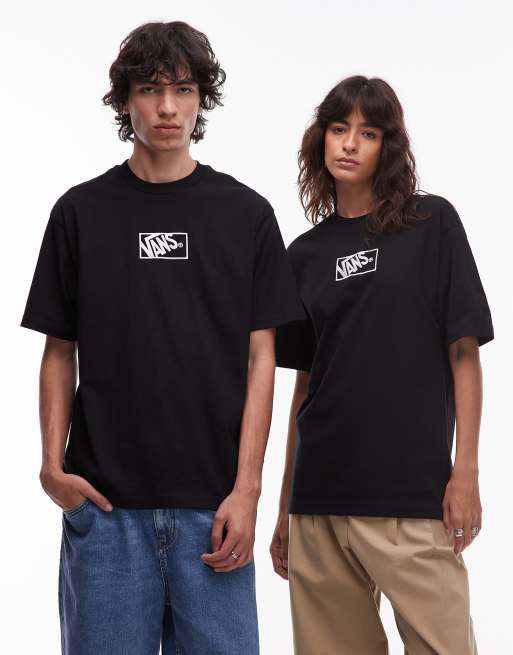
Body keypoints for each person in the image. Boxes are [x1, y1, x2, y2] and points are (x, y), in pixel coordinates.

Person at [20, 20, 305, 655]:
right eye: (149, 90)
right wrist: (51, 467)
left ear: (203, 98)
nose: (167, 107)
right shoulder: (79, 213)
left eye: (182, 89)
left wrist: (248, 489)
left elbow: (262, 359)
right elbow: (58, 351)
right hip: (106, 512)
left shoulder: (246, 214)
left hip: (215, 513)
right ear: (126, 101)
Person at [270, 75, 493, 654]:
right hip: (320, 504)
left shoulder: (431, 225)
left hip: (411, 499)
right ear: (320, 139)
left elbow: (464, 353)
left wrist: (465, 472)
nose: (349, 143)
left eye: (367, 133)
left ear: (387, 146)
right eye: (338, 129)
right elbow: (304, 387)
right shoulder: (303, 256)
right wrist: (285, 506)